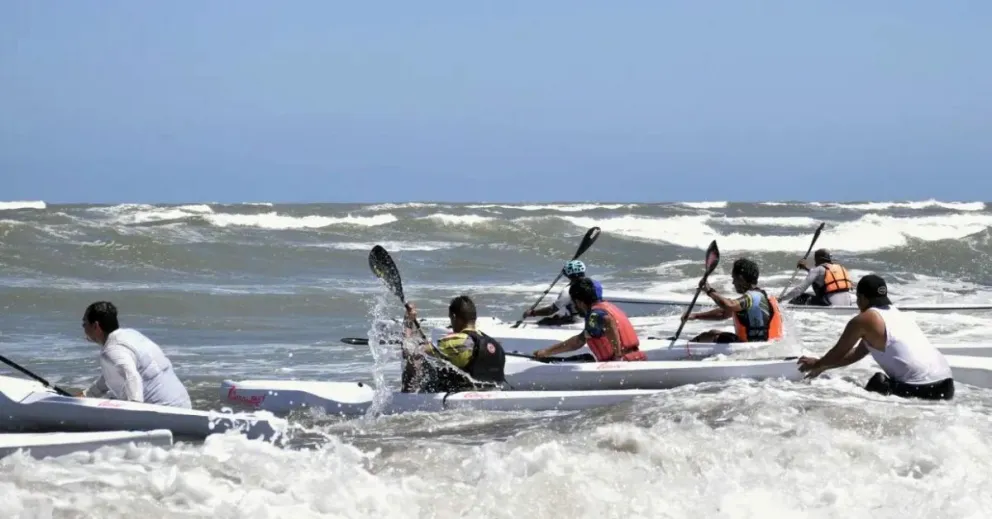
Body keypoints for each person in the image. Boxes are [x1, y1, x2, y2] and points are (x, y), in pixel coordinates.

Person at [797, 274, 954, 401]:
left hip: (922, 390)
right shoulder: (897, 315)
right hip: (947, 386)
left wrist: (817, 363)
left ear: (863, 298)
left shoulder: (865, 319)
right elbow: (855, 354)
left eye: (858, 298)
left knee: (877, 383)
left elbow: (838, 352)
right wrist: (824, 366)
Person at [79, 301, 192, 408]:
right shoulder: (130, 335)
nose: (83, 328)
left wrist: (134, 409)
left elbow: (131, 376)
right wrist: (87, 395)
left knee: (115, 402)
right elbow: (113, 375)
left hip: (163, 412)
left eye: (85, 324)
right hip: (183, 405)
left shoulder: (112, 349)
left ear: (95, 326)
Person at [401, 295, 507, 393]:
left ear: (454, 317)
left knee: (417, 359)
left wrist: (408, 321)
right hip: (489, 391)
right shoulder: (495, 344)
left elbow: (409, 350)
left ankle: (407, 396)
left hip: (461, 394)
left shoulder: (455, 342)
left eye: (450, 318)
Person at [532, 278, 647, 362]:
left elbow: (607, 321)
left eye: (574, 303)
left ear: (579, 301)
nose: (575, 307)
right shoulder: (607, 307)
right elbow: (579, 340)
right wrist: (546, 352)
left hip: (623, 363)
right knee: (586, 358)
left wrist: (618, 355)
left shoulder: (595, 315)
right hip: (636, 358)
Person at [682, 258, 784, 344]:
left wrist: (709, 290)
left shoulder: (753, 297)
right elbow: (723, 313)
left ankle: (685, 348)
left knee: (710, 336)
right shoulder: (761, 296)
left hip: (751, 348)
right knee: (713, 333)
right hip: (765, 345)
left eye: (734, 278)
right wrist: (695, 316)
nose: (733, 282)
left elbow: (729, 305)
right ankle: (688, 345)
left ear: (740, 278)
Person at [522, 260, 603, 326]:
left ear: (568, 275)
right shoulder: (596, 283)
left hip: (577, 321)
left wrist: (533, 313)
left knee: (544, 322)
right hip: (594, 316)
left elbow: (551, 310)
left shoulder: (568, 290)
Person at [780, 249, 854, 306]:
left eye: (815, 258)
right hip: (847, 304)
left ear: (819, 259)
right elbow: (822, 277)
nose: (814, 261)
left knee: (801, 297)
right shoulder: (840, 268)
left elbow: (799, 289)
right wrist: (805, 268)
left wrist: (782, 299)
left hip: (830, 305)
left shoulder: (818, 270)